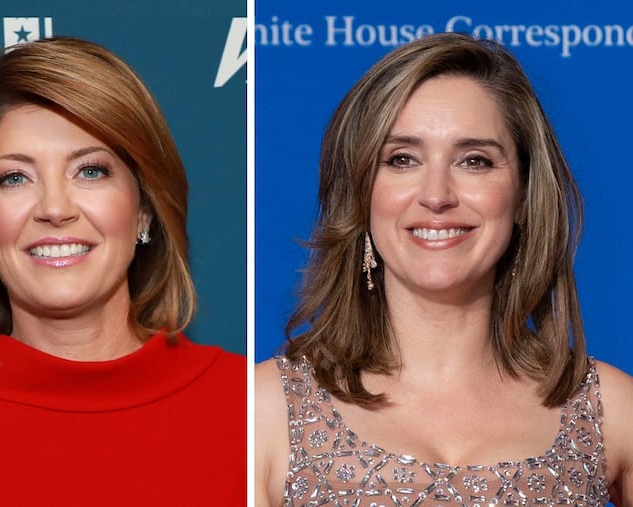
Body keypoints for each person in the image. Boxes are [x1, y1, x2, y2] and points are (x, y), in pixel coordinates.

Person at [256, 32, 633, 507]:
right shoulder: (262, 414)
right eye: (402, 159)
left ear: (522, 194)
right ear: (362, 194)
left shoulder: (612, 411)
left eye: (474, 161)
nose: (436, 195)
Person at [0, 37, 245, 506]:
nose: (54, 208)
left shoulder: (248, 410)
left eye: (90, 171)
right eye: (14, 178)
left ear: (145, 209)